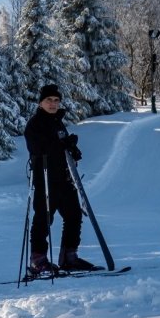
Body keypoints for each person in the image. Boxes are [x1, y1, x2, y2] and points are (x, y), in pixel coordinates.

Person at [24, 83, 95, 275]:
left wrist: (71, 149)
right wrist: (61, 144)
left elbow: (60, 146)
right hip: (45, 178)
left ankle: (69, 257)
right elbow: (38, 148)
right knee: (43, 220)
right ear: (41, 103)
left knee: (74, 216)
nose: (53, 103)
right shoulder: (35, 124)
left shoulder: (57, 121)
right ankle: (38, 261)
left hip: (64, 178)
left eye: (56, 100)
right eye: (49, 100)